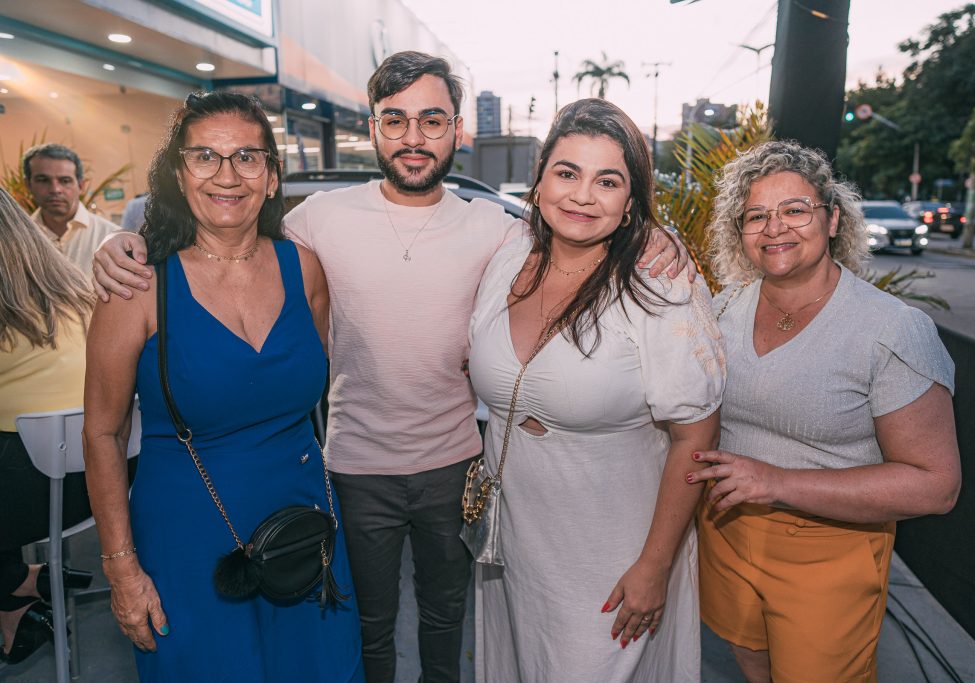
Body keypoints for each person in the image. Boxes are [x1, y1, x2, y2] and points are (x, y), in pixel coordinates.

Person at [89, 52, 689, 683]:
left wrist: (653, 234)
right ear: (372, 128)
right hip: (352, 467)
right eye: (394, 119)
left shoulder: (497, 228)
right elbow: (222, 237)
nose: (413, 137)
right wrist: (118, 244)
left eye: (432, 120)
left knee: (445, 621)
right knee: (362, 627)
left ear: (458, 131)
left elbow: (578, 233)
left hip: (457, 464)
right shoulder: (316, 224)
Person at [82, 91, 364, 682]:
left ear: (270, 176)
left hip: (302, 523)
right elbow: (103, 434)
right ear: (179, 176)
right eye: (205, 157)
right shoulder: (137, 286)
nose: (227, 175)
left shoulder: (305, 269)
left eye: (247, 158)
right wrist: (121, 570)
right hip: (187, 539)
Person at [468, 98, 724, 682]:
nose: (583, 196)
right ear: (538, 182)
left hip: (610, 551)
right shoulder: (510, 256)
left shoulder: (661, 289)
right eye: (567, 173)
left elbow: (696, 438)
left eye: (607, 181)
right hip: (511, 541)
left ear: (631, 201)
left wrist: (655, 567)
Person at [688, 140, 961, 683]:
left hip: (830, 552)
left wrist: (777, 482)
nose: (775, 228)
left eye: (795, 210)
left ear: (833, 218)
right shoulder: (722, 309)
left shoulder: (890, 329)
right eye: (756, 216)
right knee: (752, 664)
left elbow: (936, 486)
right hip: (726, 532)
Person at [0, 188, 95, 664]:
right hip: (101, 480)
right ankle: (20, 596)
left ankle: (19, 584)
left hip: (27, 490)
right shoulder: (74, 288)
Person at [24, 143, 121, 274]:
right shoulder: (17, 241)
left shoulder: (111, 237)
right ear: (28, 185)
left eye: (65, 181)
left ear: (81, 186)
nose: (55, 189)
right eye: (43, 180)